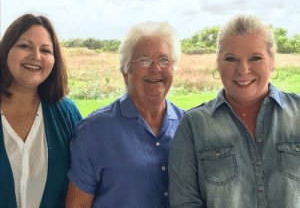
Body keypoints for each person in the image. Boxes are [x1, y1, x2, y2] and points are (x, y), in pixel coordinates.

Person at [168, 14, 300, 207]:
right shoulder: (193, 125)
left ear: (272, 61)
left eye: (255, 58)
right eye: (231, 59)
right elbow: (184, 202)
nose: (243, 69)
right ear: (218, 64)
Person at [65, 21, 185, 207]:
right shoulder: (94, 131)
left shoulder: (189, 125)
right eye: (144, 60)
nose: (155, 68)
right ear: (125, 71)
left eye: (164, 60)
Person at [0, 13, 82, 208]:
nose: (36, 56)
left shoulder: (67, 113)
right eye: (24, 46)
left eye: (45, 50)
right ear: (5, 50)